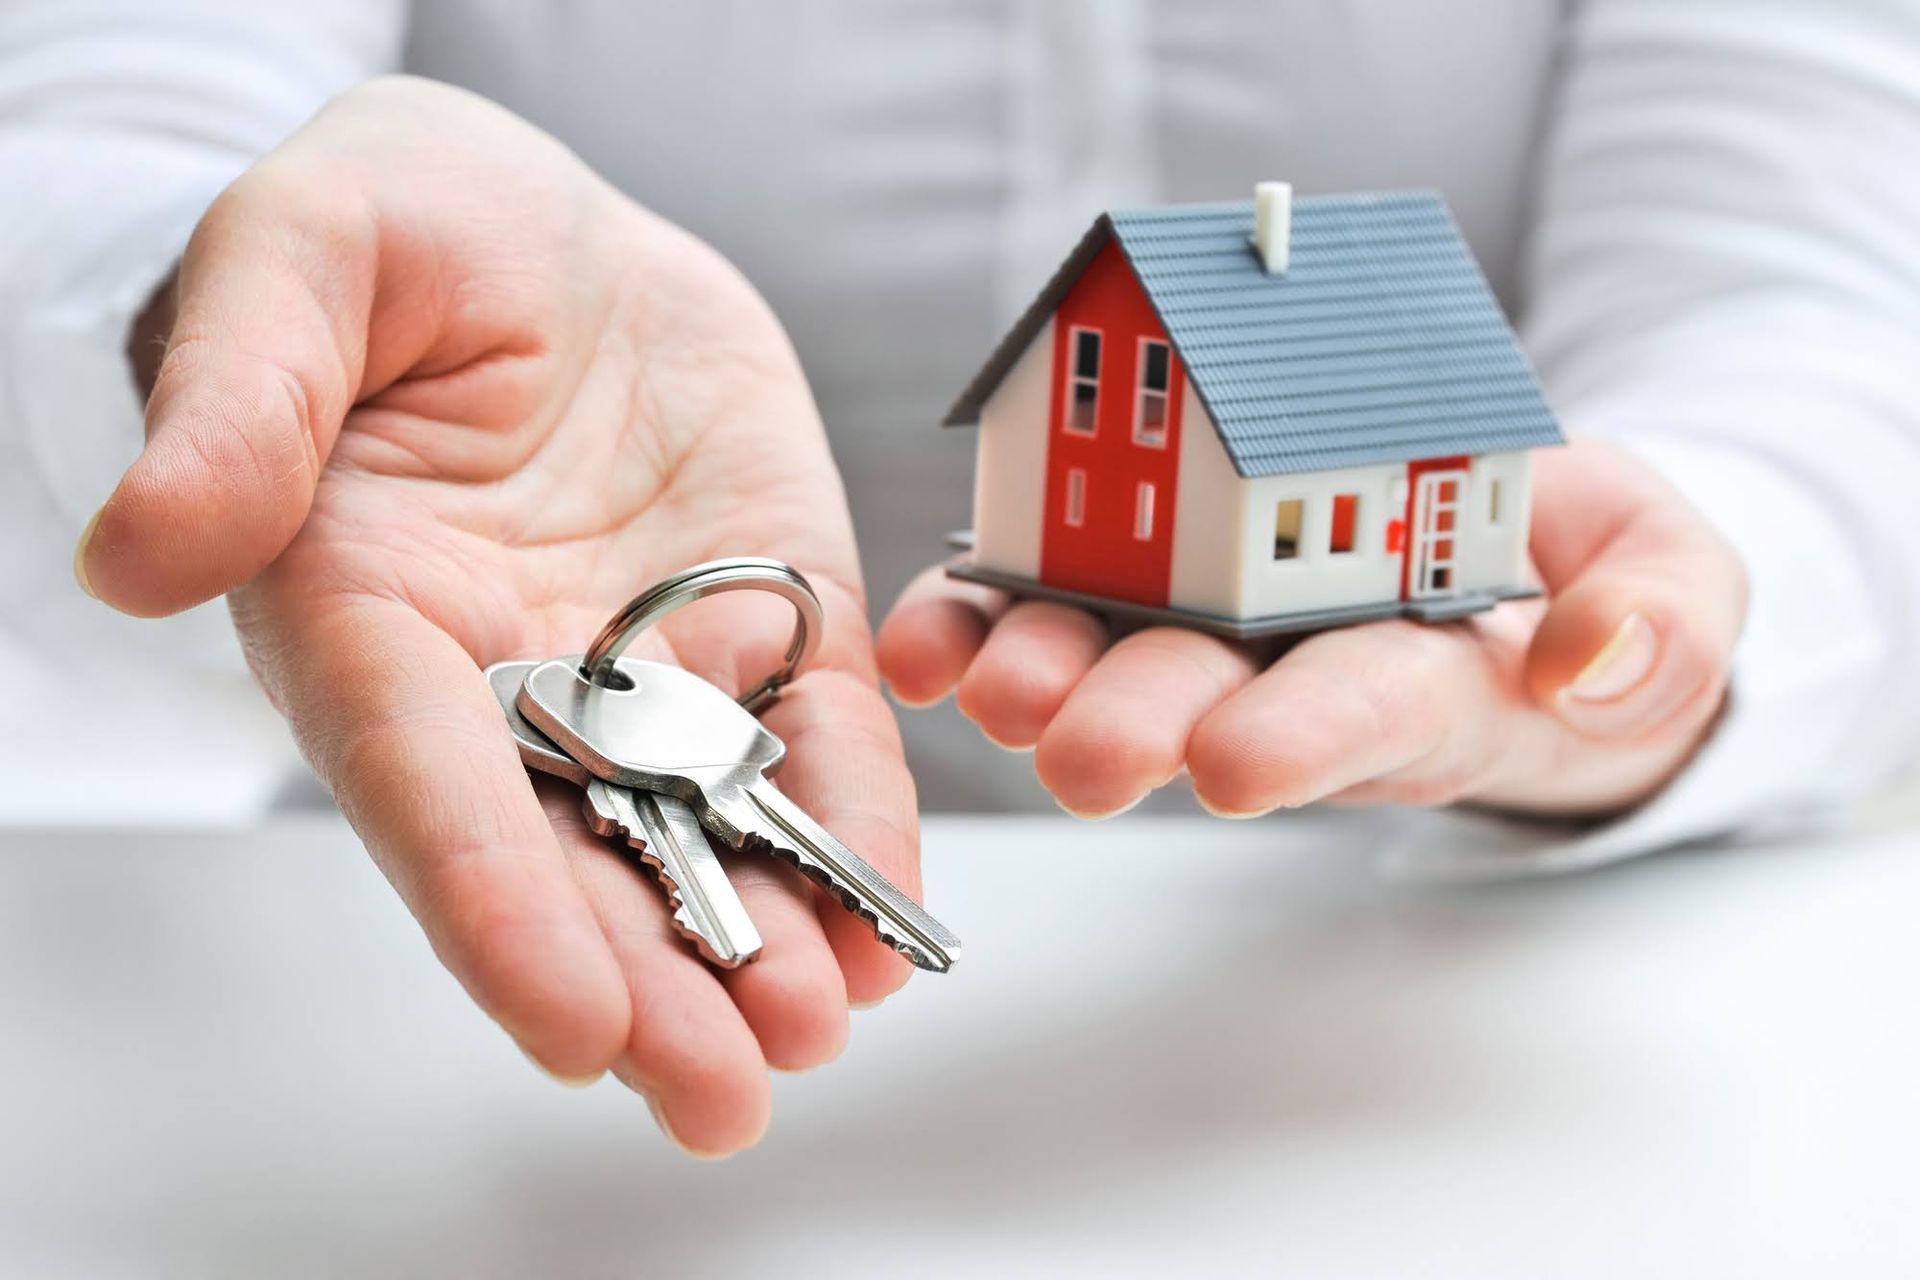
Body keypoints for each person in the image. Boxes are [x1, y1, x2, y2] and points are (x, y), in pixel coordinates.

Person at [3, 2, 1917, 1157]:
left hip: (1477, 1017)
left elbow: (1821, 307)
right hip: (361, 1017)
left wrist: (1673, 590)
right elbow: (84, 141)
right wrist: (219, 307)